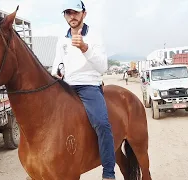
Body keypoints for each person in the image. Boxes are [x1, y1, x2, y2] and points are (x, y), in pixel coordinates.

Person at [51, 1, 116, 179]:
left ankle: (109, 172)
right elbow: (57, 64)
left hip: (89, 85)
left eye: (75, 12)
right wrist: (56, 72)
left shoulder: (94, 35)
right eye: (68, 13)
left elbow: (103, 67)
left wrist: (84, 48)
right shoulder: (62, 39)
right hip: (66, 85)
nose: (72, 16)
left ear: (84, 14)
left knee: (102, 124)